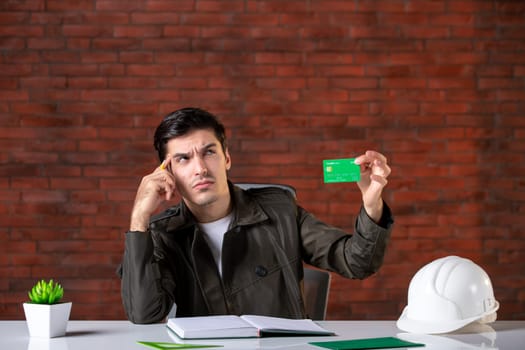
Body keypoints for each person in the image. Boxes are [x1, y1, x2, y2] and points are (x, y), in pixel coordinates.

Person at [118, 107, 394, 324]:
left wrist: (372, 205)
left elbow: (358, 263)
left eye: (209, 152)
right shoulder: (161, 233)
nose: (200, 168)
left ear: (226, 158)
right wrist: (140, 217)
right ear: (167, 173)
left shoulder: (280, 210)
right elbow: (145, 314)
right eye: (183, 159)